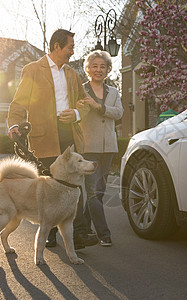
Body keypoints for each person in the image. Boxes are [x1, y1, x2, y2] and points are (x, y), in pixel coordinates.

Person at [7, 29, 98, 250]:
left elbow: (83, 102)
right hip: (43, 135)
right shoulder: (32, 70)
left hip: (68, 132)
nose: (72, 51)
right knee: (48, 187)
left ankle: (80, 233)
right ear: (57, 46)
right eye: (70, 47)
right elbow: (19, 102)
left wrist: (76, 114)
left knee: (75, 184)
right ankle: (48, 233)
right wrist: (14, 124)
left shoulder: (72, 73)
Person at [79, 50, 123, 247]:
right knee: (93, 191)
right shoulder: (81, 91)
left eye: (102, 66)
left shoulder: (113, 92)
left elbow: (119, 113)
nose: (98, 70)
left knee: (100, 190)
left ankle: (84, 228)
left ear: (107, 70)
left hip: (109, 147)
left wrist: (98, 107)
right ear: (88, 69)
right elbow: (78, 114)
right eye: (94, 66)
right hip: (88, 147)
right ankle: (104, 233)